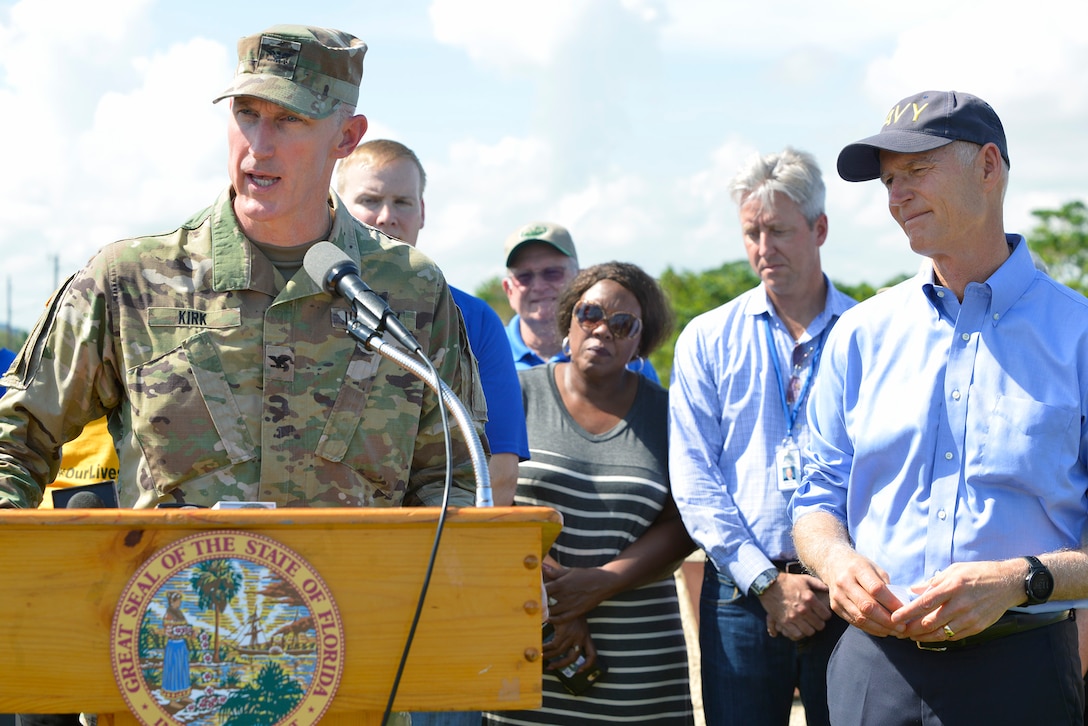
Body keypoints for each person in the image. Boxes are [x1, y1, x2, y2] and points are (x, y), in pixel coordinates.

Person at [0, 24, 483, 513]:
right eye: (246, 113)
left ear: (347, 137)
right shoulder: (131, 281)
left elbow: (456, 479)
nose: (259, 144)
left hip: (357, 588)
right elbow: (13, 440)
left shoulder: (409, 290)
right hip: (170, 587)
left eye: (289, 119)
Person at [789, 90, 1088, 725]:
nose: (896, 196)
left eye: (917, 170)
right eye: (889, 180)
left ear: (988, 166)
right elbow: (816, 500)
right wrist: (836, 561)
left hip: (1022, 671)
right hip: (873, 669)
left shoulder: (1079, 337)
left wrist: (1018, 579)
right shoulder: (860, 335)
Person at [668, 147, 854, 726]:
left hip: (846, 592)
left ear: (819, 228)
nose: (763, 249)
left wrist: (837, 572)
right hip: (739, 594)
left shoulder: (869, 333)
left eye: (778, 230)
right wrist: (767, 581)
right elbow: (694, 476)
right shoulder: (707, 338)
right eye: (751, 232)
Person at [485, 262, 694, 725]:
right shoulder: (516, 395)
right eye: (589, 314)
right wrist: (559, 598)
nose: (602, 329)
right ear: (568, 321)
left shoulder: (669, 415)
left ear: (642, 339)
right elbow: (482, 501)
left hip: (641, 663)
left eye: (622, 324)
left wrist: (601, 583)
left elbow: (684, 523)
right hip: (535, 639)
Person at [336, 138, 529, 506]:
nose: (386, 216)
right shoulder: (294, 302)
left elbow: (499, 475)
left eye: (402, 202)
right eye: (369, 200)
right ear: (336, 207)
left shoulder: (472, 319)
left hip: (423, 550)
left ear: (422, 211)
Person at [502, 223, 661, 383]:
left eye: (552, 273)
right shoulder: (487, 353)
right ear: (508, 290)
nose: (539, 286)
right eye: (524, 276)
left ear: (579, 280)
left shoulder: (622, 355)